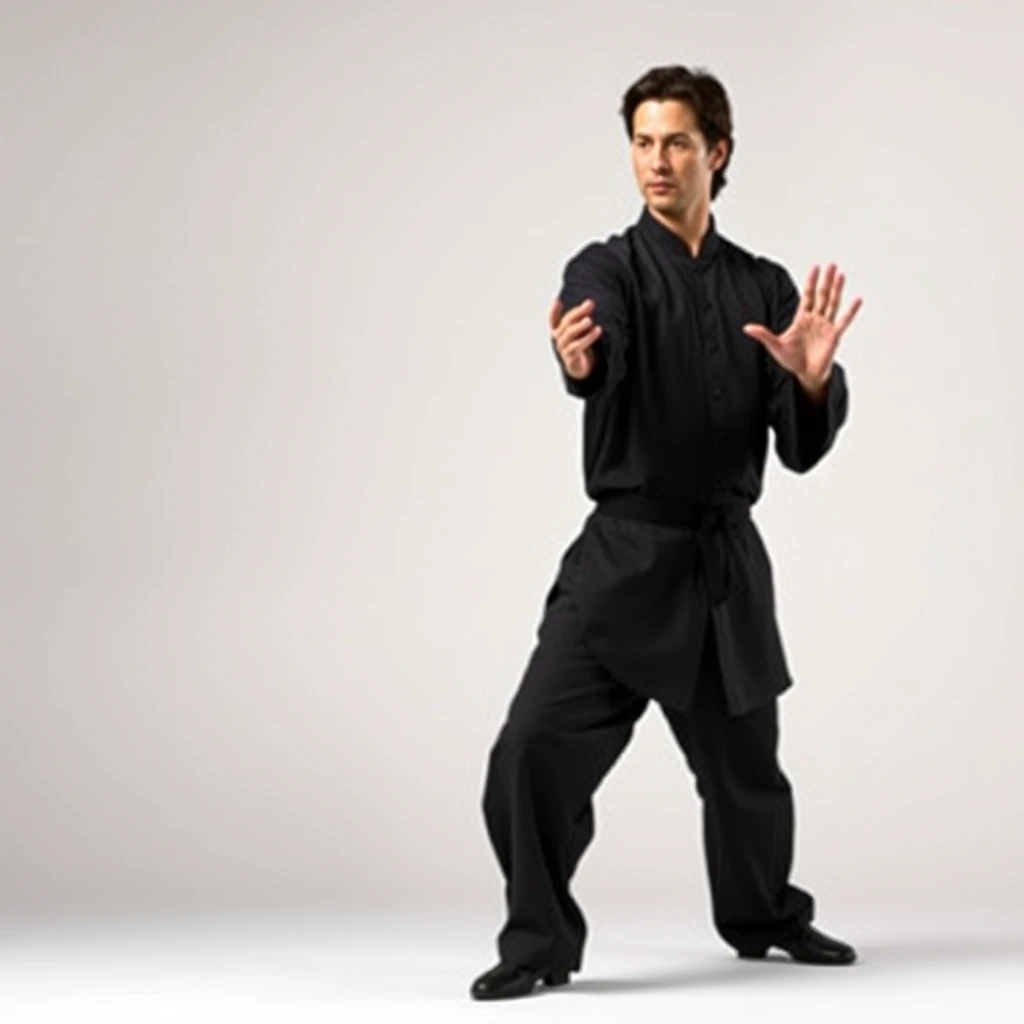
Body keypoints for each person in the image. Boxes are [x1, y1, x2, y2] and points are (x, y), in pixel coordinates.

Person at [470, 64, 863, 1002]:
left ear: (716, 154)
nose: (656, 160)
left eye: (676, 141)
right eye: (643, 142)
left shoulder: (765, 286)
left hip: (721, 567)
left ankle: (765, 915)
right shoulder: (605, 269)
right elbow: (593, 341)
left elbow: (800, 449)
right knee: (529, 750)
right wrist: (579, 355)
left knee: (747, 777)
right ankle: (537, 942)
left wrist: (808, 380)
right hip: (625, 562)